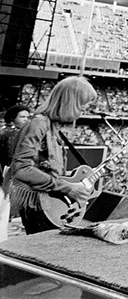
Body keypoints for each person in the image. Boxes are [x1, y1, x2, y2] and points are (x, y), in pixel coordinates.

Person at [9, 76, 96, 234]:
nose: (84, 111)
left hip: (47, 204)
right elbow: (21, 169)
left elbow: (48, 170)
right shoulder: (39, 124)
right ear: (70, 102)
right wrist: (68, 188)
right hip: (38, 206)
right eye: (82, 106)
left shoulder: (52, 126)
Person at [0, 105, 31, 240]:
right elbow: (10, 157)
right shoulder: (12, 134)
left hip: (6, 172)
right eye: (22, 116)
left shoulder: (6, 131)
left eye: (27, 117)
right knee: (3, 207)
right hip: (6, 172)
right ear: (13, 118)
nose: (26, 120)